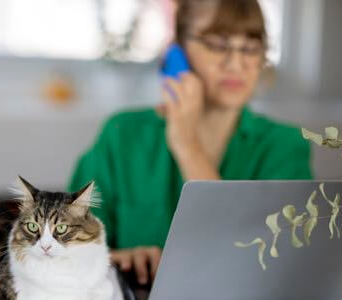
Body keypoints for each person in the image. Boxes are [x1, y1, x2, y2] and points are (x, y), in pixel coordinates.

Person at [69, 0, 312, 286]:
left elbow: (260, 268)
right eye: (217, 45)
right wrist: (116, 260)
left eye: (249, 47)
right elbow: (65, 251)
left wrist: (187, 145)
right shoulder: (122, 134)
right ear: (177, 51)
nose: (235, 63)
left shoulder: (285, 146)